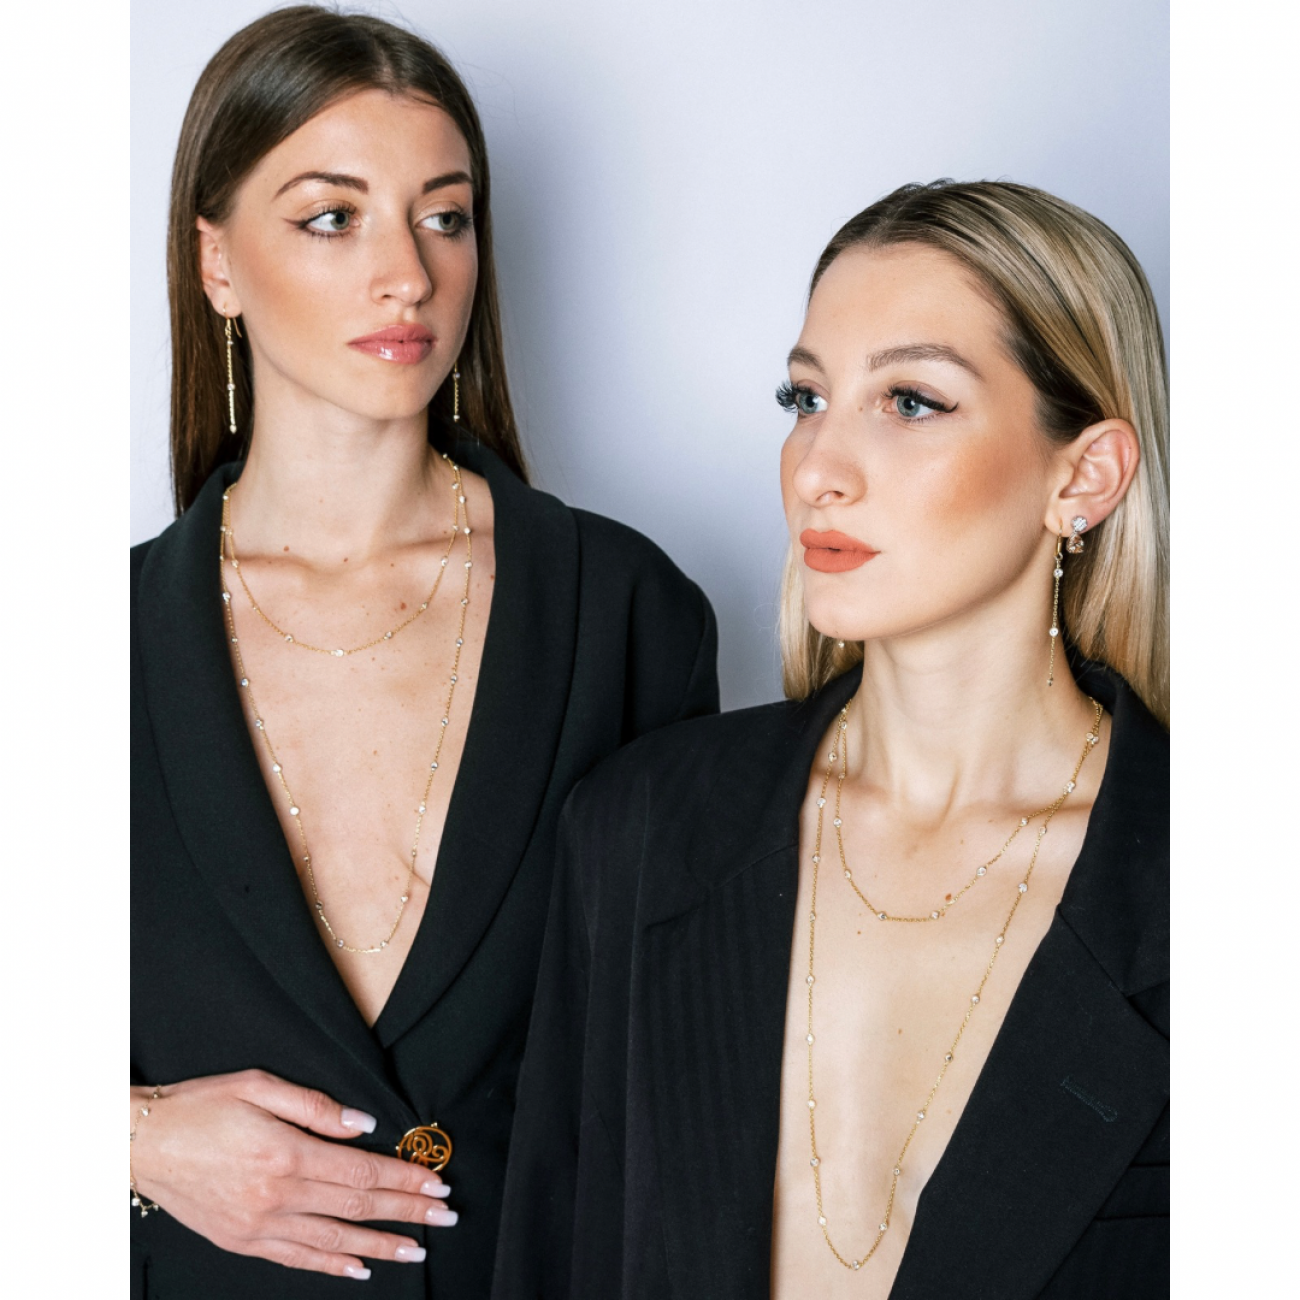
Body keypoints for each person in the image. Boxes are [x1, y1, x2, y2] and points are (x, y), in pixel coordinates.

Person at [130, 7, 719, 1297]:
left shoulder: (630, 613)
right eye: (332, 217)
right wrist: (128, 1135)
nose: (407, 272)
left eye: (443, 216)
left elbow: (694, 1064)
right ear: (216, 262)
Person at [495, 180, 1168, 1299]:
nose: (816, 469)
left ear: (1082, 476)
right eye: (804, 397)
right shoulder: (640, 825)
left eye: (910, 401)